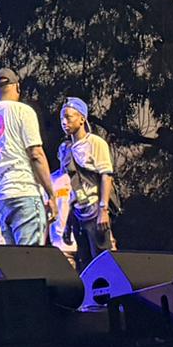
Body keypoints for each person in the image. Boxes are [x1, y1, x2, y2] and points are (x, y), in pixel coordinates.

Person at [0, 67, 54, 248]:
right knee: (31, 256)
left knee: (14, 258)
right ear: (17, 87)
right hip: (23, 190)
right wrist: (51, 193)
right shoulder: (23, 111)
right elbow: (35, 154)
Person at [56, 97, 117, 272]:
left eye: (69, 117)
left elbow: (106, 175)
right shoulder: (65, 149)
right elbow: (70, 187)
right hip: (78, 211)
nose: (64, 122)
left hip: (95, 208)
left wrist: (103, 210)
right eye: (62, 118)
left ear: (82, 118)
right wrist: (67, 222)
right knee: (84, 262)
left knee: (102, 259)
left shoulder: (95, 143)